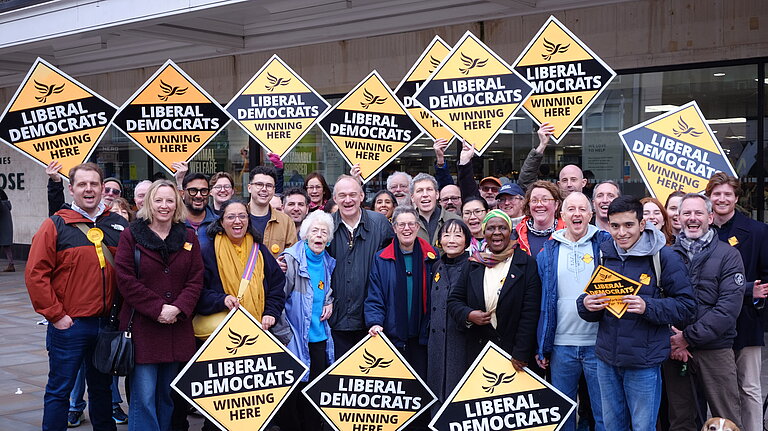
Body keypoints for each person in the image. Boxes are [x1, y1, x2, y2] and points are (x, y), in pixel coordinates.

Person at [578, 195, 695, 431]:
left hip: (644, 363)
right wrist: (586, 304)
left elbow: (687, 306)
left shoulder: (664, 257)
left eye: (628, 225)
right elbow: (592, 301)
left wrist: (647, 306)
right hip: (607, 360)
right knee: (612, 426)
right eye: (615, 226)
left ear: (642, 224)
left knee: (643, 427)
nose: (621, 232)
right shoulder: (604, 254)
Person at [26, 162, 128, 431]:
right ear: (71, 189)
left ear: (102, 187)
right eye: (82, 184)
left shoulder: (118, 224)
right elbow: (36, 274)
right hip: (70, 325)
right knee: (60, 391)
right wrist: (57, 316)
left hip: (107, 325)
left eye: (94, 184)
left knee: (102, 391)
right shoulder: (55, 225)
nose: (89, 189)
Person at [114, 180, 203, 431]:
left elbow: (196, 279)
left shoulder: (188, 236)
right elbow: (125, 279)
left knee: (167, 396)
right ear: (149, 203)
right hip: (143, 329)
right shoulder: (131, 235)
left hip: (176, 328)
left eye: (169, 200)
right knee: (143, 397)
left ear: (177, 205)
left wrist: (178, 307)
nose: (164, 206)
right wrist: (158, 308)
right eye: (159, 200)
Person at [665, 192, 747, 431]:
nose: (692, 218)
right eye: (687, 213)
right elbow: (659, 299)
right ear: (678, 218)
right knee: (681, 421)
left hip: (715, 348)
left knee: (727, 419)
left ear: (710, 217)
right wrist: (673, 339)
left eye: (698, 213)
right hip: (675, 352)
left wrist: (687, 337)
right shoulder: (666, 254)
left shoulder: (729, 255)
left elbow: (728, 308)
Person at [536, 192, 611, 431]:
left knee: (604, 415)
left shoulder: (606, 245)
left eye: (582, 209)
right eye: (571, 209)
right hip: (561, 346)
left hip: (598, 344)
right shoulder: (547, 252)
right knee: (563, 415)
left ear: (591, 214)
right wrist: (542, 345)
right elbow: (542, 302)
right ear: (562, 215)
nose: (577, 214)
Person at [706, 174, 768, 431]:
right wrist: (747, 289)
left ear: (736, 198)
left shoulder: (758, 231)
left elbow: (765, 279)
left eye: (727, 194)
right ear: (709, 198)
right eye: (716, 194)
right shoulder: (701, 230)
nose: (722, 199)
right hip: (710, 323)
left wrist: (755, 297)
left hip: (746, 321)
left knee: (749, 387)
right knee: (718, 388)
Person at [448, 209, 542, 372]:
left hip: (514, 354)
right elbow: (454, 300)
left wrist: (520, 352)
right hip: (480, 351)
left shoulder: (527, 264)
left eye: (502, 228)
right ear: (484, 233)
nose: (497, 232)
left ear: (510, 232)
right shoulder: (473, 263)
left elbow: (530, 313)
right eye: (491, 228)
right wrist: (469, 315)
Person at [278, 210, 336, 431]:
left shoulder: (327, 261)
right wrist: (285, 336)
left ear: (328, 239)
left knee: (313, 394)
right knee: (291, 397)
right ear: (305, 234)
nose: (319, 235)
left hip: (318, 338)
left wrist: (329, 300)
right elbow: (278, 300)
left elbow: (323, 291)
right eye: (314, 231)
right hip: (294, 340)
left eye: (324, 232)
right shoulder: (290, 260)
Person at [366, 206, 437, 377]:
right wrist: (374, 322)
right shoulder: (381, 258)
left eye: (411, 224)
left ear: (417, 227)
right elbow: (375, 295)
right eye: (402, 224)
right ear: (394, 228)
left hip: (423, 338)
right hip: (392, 336)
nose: (407, 228)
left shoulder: (432, 256)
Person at [327, 175, 394, 357]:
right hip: (334, 319)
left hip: (372, 320)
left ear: (362, 196)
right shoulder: (325, 225)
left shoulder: (380, 224)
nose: (348, 200)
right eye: (342, 195)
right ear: (335, 198)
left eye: (352, 194)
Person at [196, 199, 286, 330]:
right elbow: (198, 292)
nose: (237, 221)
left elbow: (276, 286)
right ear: (221, 222)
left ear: (248, 220)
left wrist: (271, 312)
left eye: (242, 216)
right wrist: (222, 300)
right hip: (224, 330)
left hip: (260, 327)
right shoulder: (208, 252)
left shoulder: (260, 250)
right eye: (231, 217)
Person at [428, 219, 472, 407]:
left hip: (460, 340)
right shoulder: (436, 265)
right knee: (436, 392)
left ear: (467, 241)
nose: (451, 240)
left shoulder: (473, 266)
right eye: (446, 235)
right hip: (436, 342)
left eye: (457, 235)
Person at [248, 166, 296, 258]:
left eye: (269, 186)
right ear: (249, 188)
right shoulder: (237, 218)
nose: (264, 189)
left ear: (274, 190)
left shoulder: (286, 222)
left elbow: (292, 256)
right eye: (259, 184)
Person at [411, 173, 461, 252]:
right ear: (412, 198)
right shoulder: (407, 224)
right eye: (419, 191)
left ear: (437, 194)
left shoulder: (456, 220)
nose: (425, 195)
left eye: (429, 189)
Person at [516, 180, 565, 258]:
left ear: (556, 204)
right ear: (528, 205)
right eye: (534, 200)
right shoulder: (516, 235)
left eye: (545, 200)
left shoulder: (567, 234)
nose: (539, 204)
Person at [181, 172, 217, 237]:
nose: (198, 196)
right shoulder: (173, 222)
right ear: (183, 194)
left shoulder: (219, 224)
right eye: (193, 190)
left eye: (204, 191)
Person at [0, 187, 13, 272]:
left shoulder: (2, 205)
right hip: (6, 230)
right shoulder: (7, 205)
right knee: (7, 248)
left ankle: (11, 265)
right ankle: (11, 264)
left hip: (2, 230)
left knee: (6, 248)